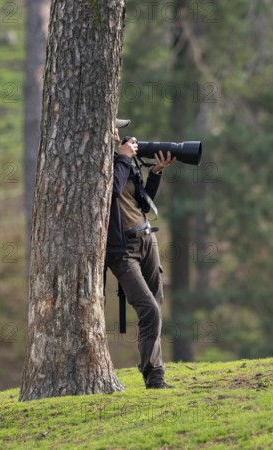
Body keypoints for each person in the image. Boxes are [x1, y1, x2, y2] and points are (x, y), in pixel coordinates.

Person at [106, 118, 176, 389]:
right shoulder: (101, 163)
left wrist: (156, 172)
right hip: (121, 250)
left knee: (156, 305)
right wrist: (123, 159)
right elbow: (109, 191)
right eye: (114, 129)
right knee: (148, 310)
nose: (118, 135)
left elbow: (143, 202)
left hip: (147, 239)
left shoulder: (122, 160)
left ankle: (155, 376)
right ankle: (154, 377)